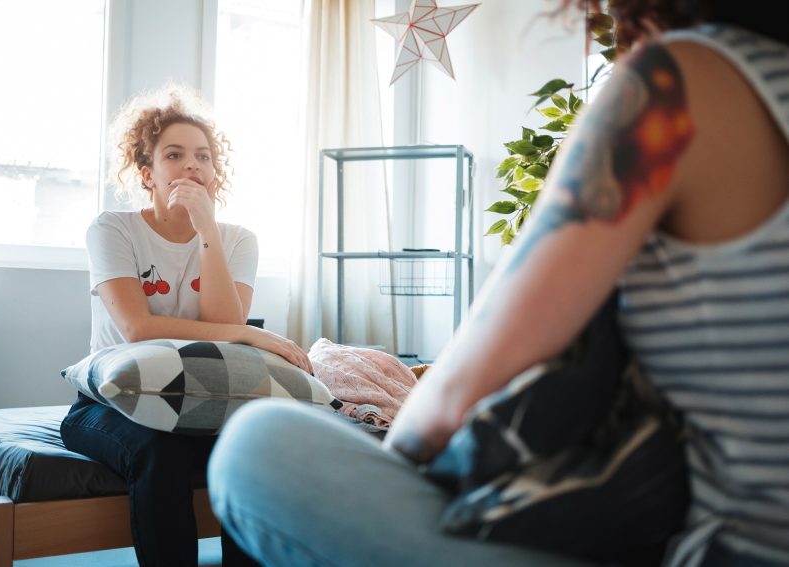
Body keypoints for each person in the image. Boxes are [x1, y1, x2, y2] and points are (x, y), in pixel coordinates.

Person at [206, 1, 789, 566]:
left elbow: (452, 398)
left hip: (732, 545)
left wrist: (390, 465)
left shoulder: (674, 83)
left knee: (257, 446)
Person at [60, 84, 312, 567]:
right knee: (161, 448)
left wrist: (207, 230)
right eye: (173, 155)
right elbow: (137, 328)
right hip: (111, 405)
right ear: (146, 172)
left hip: (205, 402)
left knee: (253, 448)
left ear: (217, 173)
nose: (192, 165)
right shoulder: (112, 229)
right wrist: (246, 333)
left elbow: (223, 321)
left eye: (203, 157)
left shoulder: (238, 240)